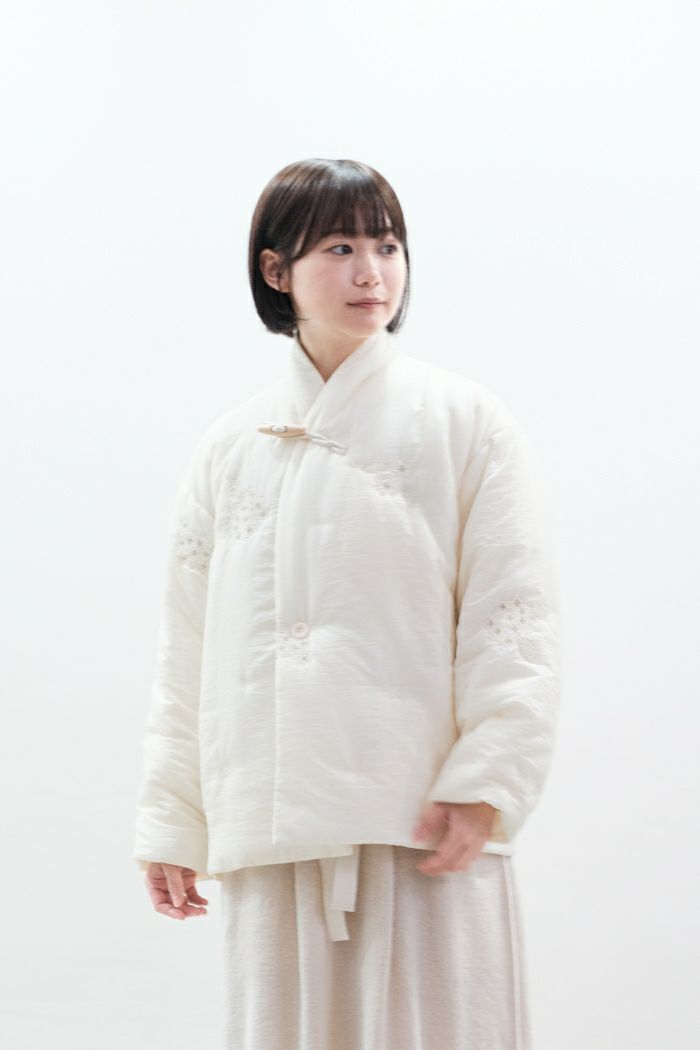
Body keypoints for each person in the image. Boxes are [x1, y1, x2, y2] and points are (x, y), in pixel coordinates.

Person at [132, 157, 563, 1049]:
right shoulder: (230, 447)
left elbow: (513, 616)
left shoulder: (465, 422)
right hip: (274, 824)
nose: (372, 272)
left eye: (387, 246)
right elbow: (188, 649)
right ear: (275, 269)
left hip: (421, 819)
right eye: (339, 247)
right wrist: (175, 818)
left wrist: (489, 778)